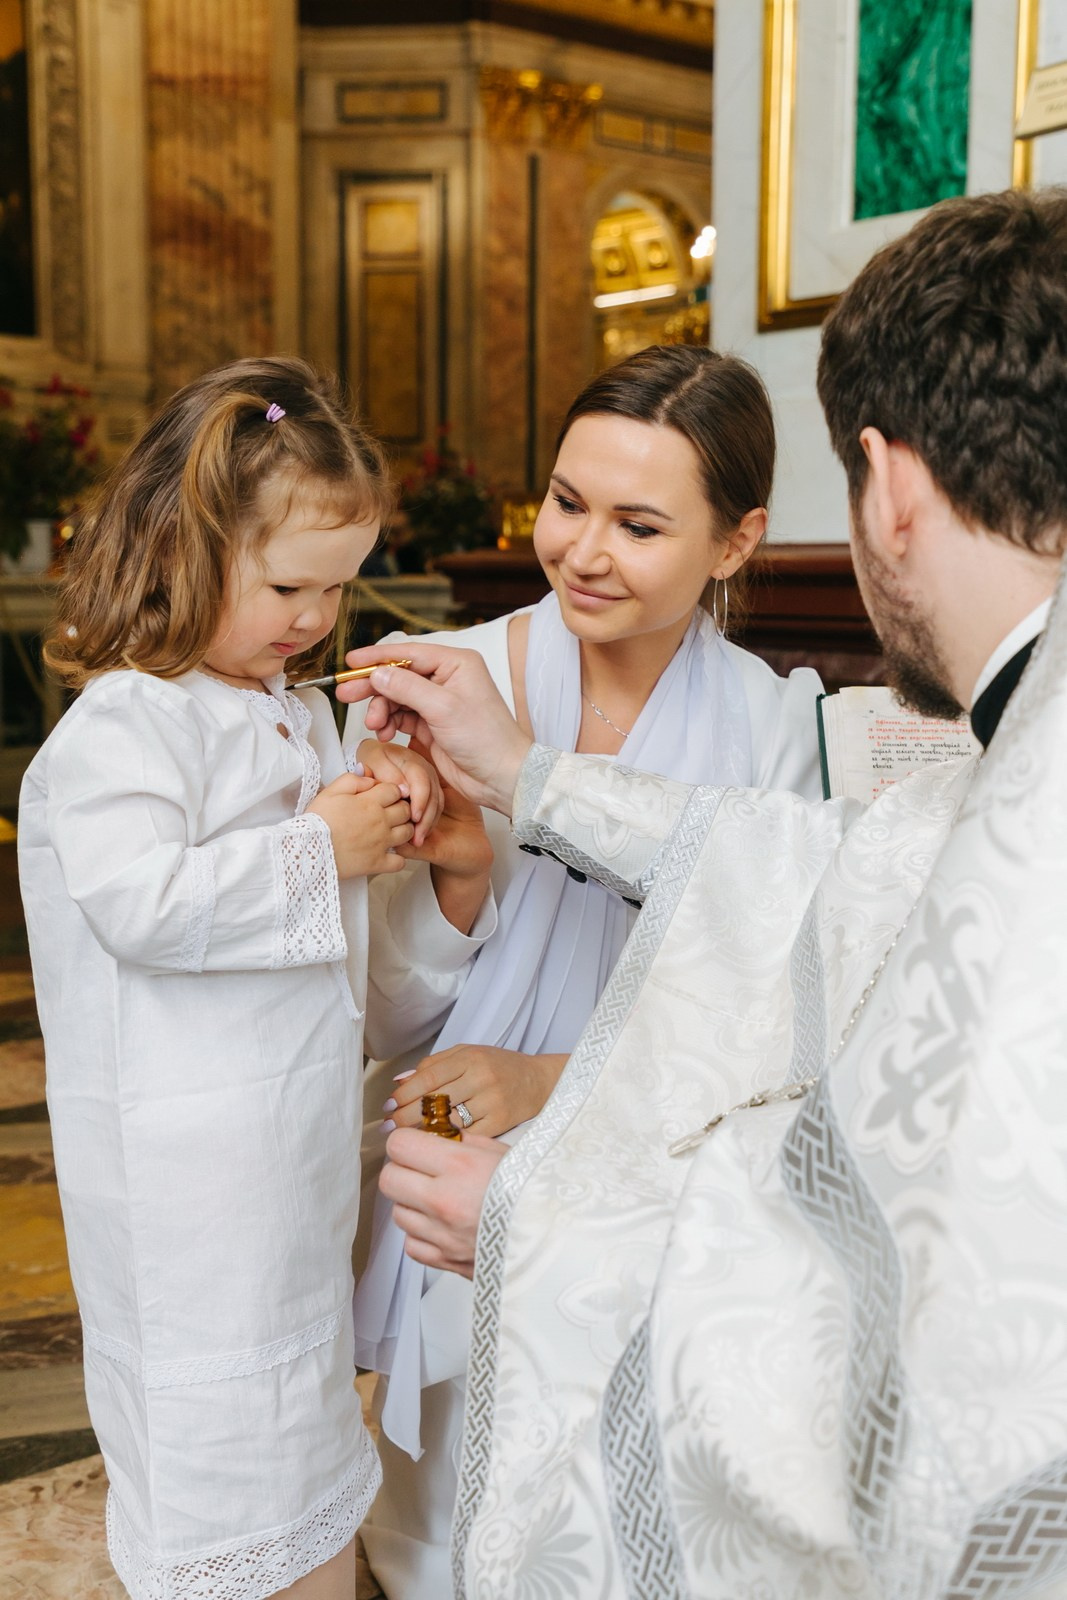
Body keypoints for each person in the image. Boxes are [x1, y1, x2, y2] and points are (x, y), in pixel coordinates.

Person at [340, 187, 1067, 1598]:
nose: (585, 550)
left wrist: (536, 1208)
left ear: (885, 486)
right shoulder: (1016, 770)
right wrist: (516, 795)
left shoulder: (814, 730)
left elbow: (919, 1339)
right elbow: (822, 878)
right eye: (564, 504)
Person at [345, 345, 825, 1598]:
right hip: (443, 1175)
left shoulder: (775, 728)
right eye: (566, 501)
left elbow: (764, 1025)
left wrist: (553, 1078)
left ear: (735, 541)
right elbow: (377, 1012)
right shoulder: (448, 678)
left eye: (639, 523)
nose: (583, 551)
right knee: (434, 1545)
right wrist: (455, 880)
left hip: (634, 1214)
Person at [16, 357, 496, 1600]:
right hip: (183, 1191)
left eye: (336, 592)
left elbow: (342, 954)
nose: (312, 621)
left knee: (302, 1434)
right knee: (214, 1461)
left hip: (284, 1163)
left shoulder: (291, 712)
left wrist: (388, 833)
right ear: (183, 547)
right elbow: (137, 900)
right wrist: (316, 848)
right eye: (288, 585)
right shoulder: (127, 721)